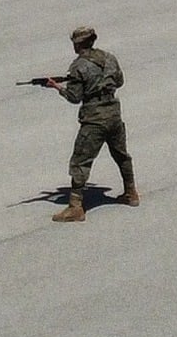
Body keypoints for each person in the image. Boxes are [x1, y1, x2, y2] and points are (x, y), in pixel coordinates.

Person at [32, 27, 137, 218]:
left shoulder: (78, 66)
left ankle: (75, 207)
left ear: (78, 44)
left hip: (94, 119)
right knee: (121, 155)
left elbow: (74, 97)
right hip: (113, 114)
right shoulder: (109, 58)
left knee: (80, 161)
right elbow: (119, 81)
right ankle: (131, 193)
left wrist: (57, 87)